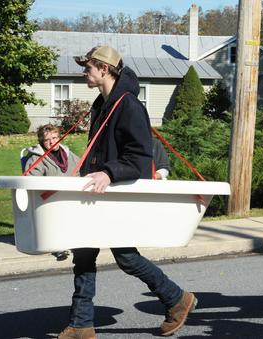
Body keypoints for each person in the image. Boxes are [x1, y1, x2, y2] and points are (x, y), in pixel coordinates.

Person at [57, 46, 195, 339]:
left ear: (104, 69)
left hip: (119, 192)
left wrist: (109, 172)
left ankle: (177, 298)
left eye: (88, 67)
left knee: (127, 257)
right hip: (99, 192)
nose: (84, 72)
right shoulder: (103, 103)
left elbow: (140, 157)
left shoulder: (128, 105)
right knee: (83, 253)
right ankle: (81, 324)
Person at [24, 124, 81, 261]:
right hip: (48, 198)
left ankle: (77, 241)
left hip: (70, 196)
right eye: (47, 140)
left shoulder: (68, 154)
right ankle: (58, 247)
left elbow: (80, 170)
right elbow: (31, 181)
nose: (52, 142)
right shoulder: (35, 158)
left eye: (55, 138)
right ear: (41, 142)